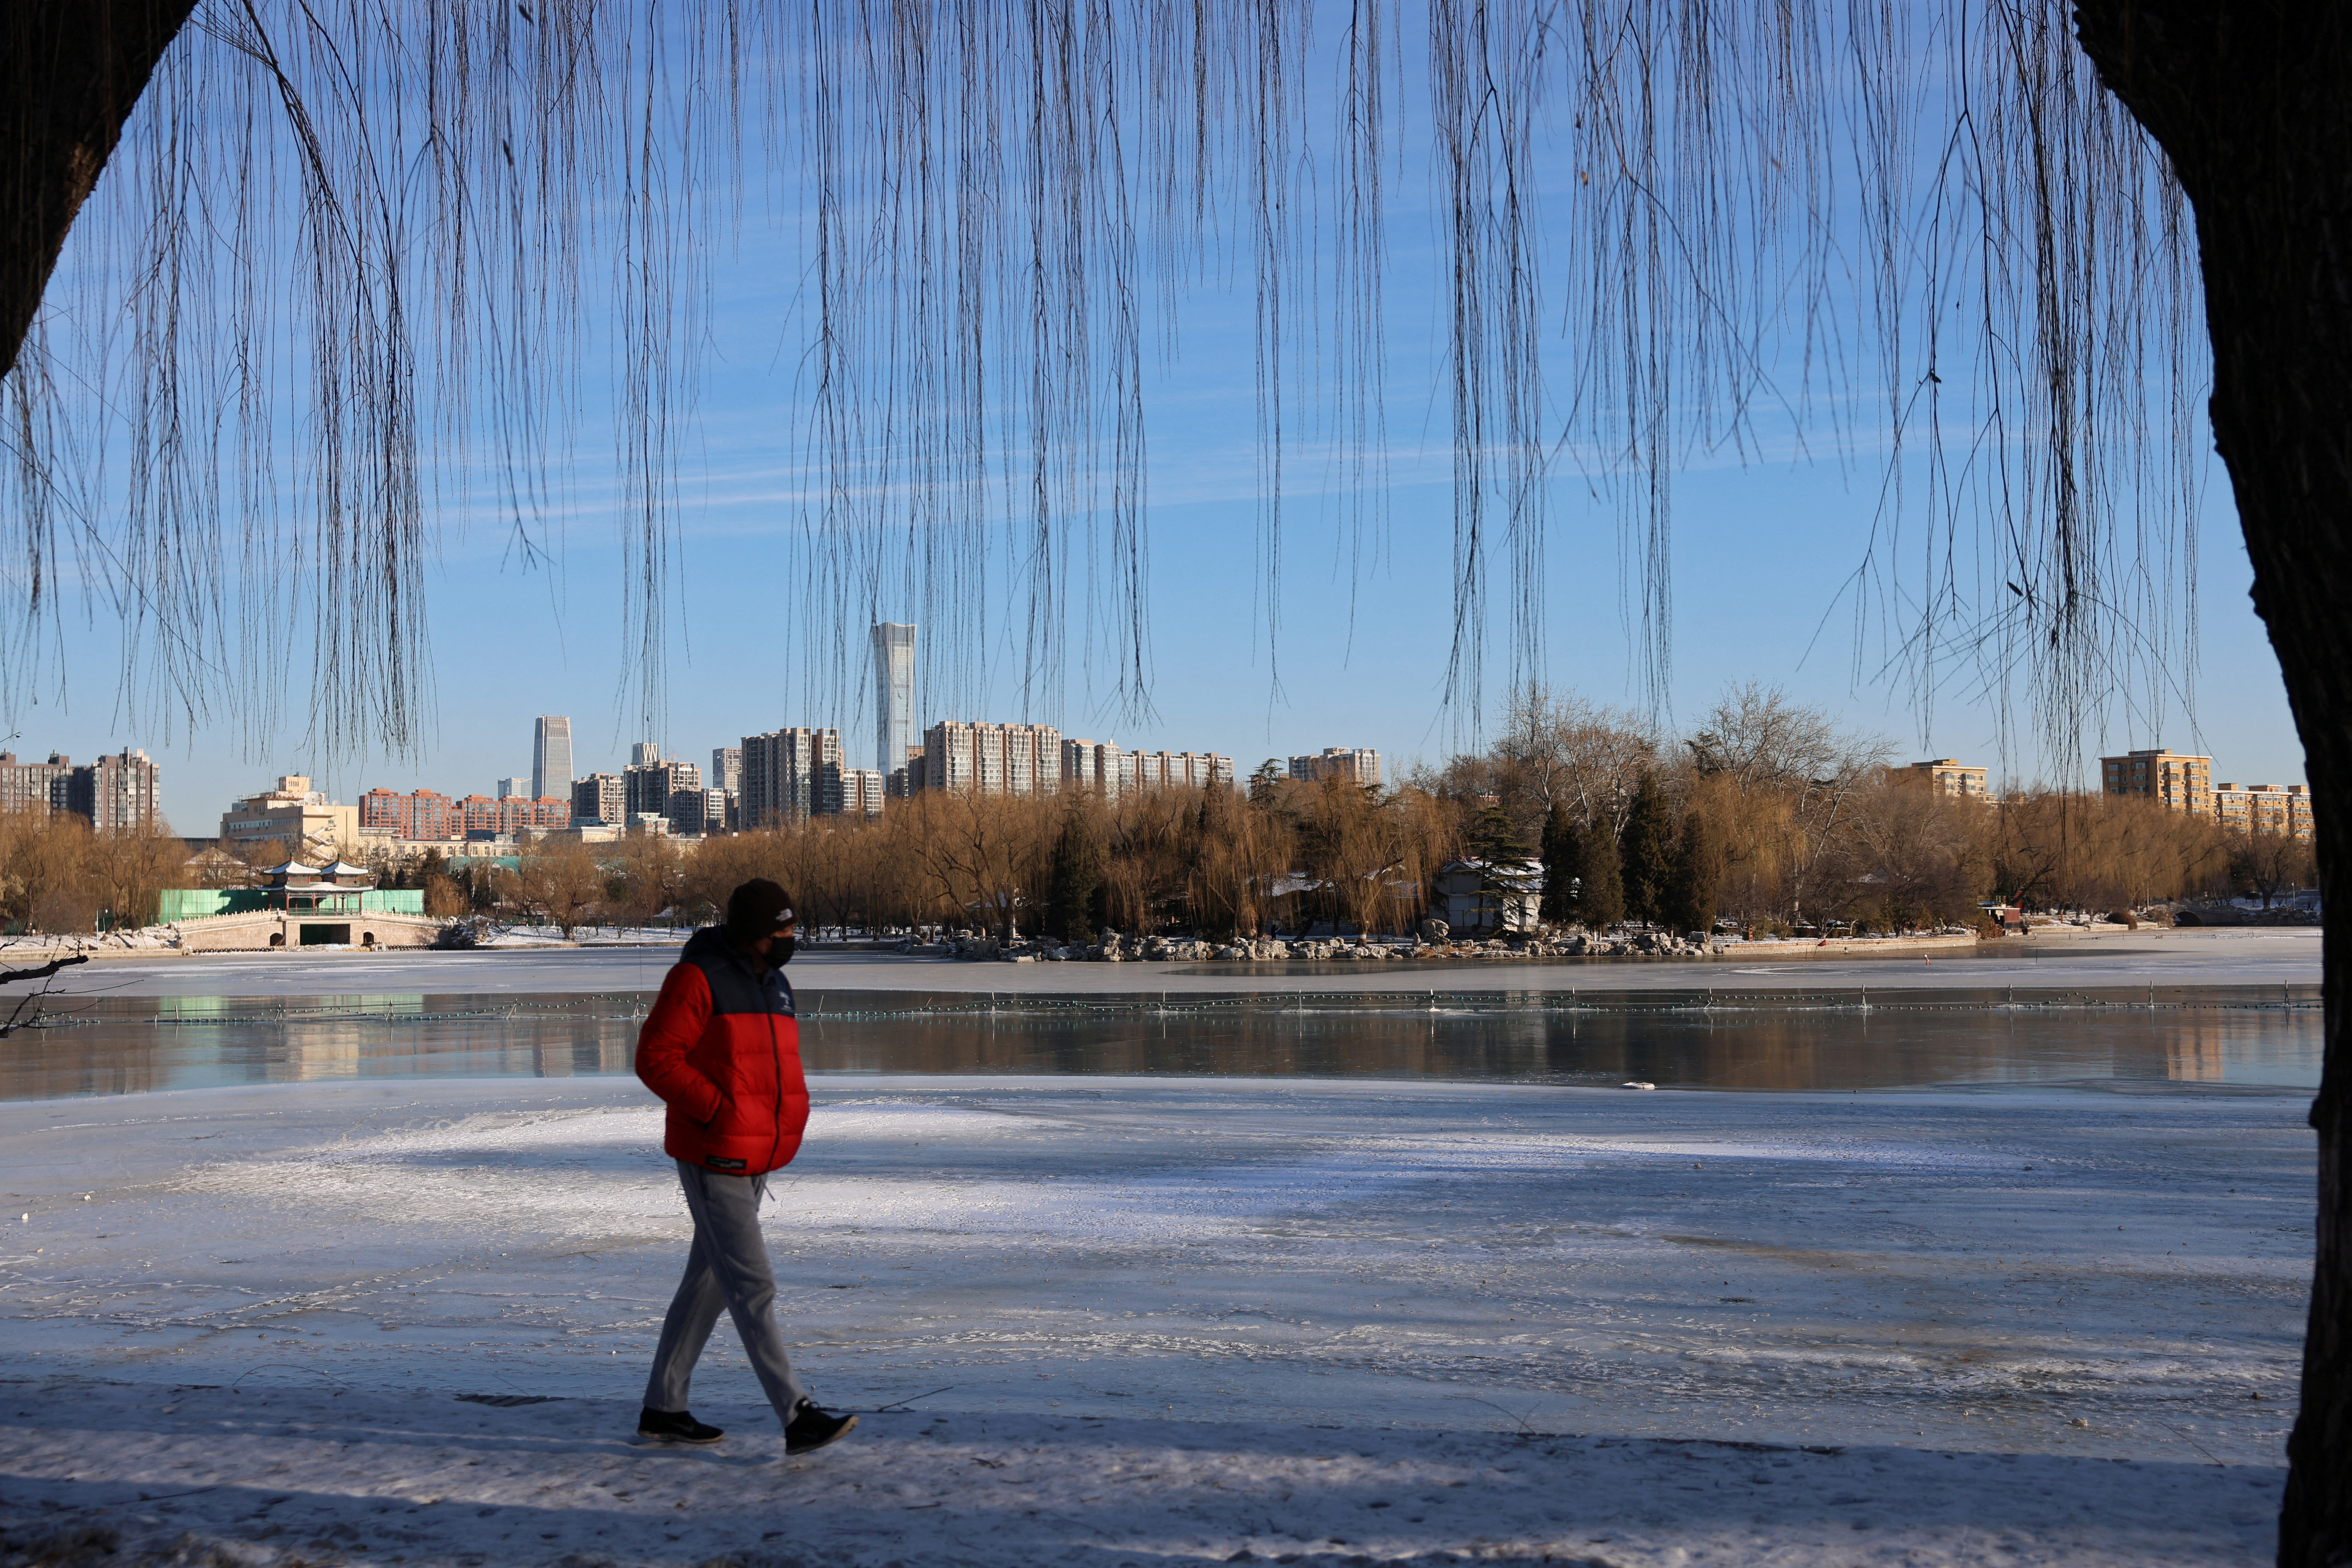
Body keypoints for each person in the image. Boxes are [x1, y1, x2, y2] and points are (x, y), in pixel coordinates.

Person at [633, 877, 858, 1456]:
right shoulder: (697, 978)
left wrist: (787, 1118)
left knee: (709, 1283)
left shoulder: (776, 982)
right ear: (754, 933)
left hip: (757, 1152)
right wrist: (716, 1110)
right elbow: (656, 1058)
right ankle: (796, 1413)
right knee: (753, 1286)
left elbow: (775, 1066)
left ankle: (664, 1406)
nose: (790, 937)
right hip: (716, 1152)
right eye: (781, 929)